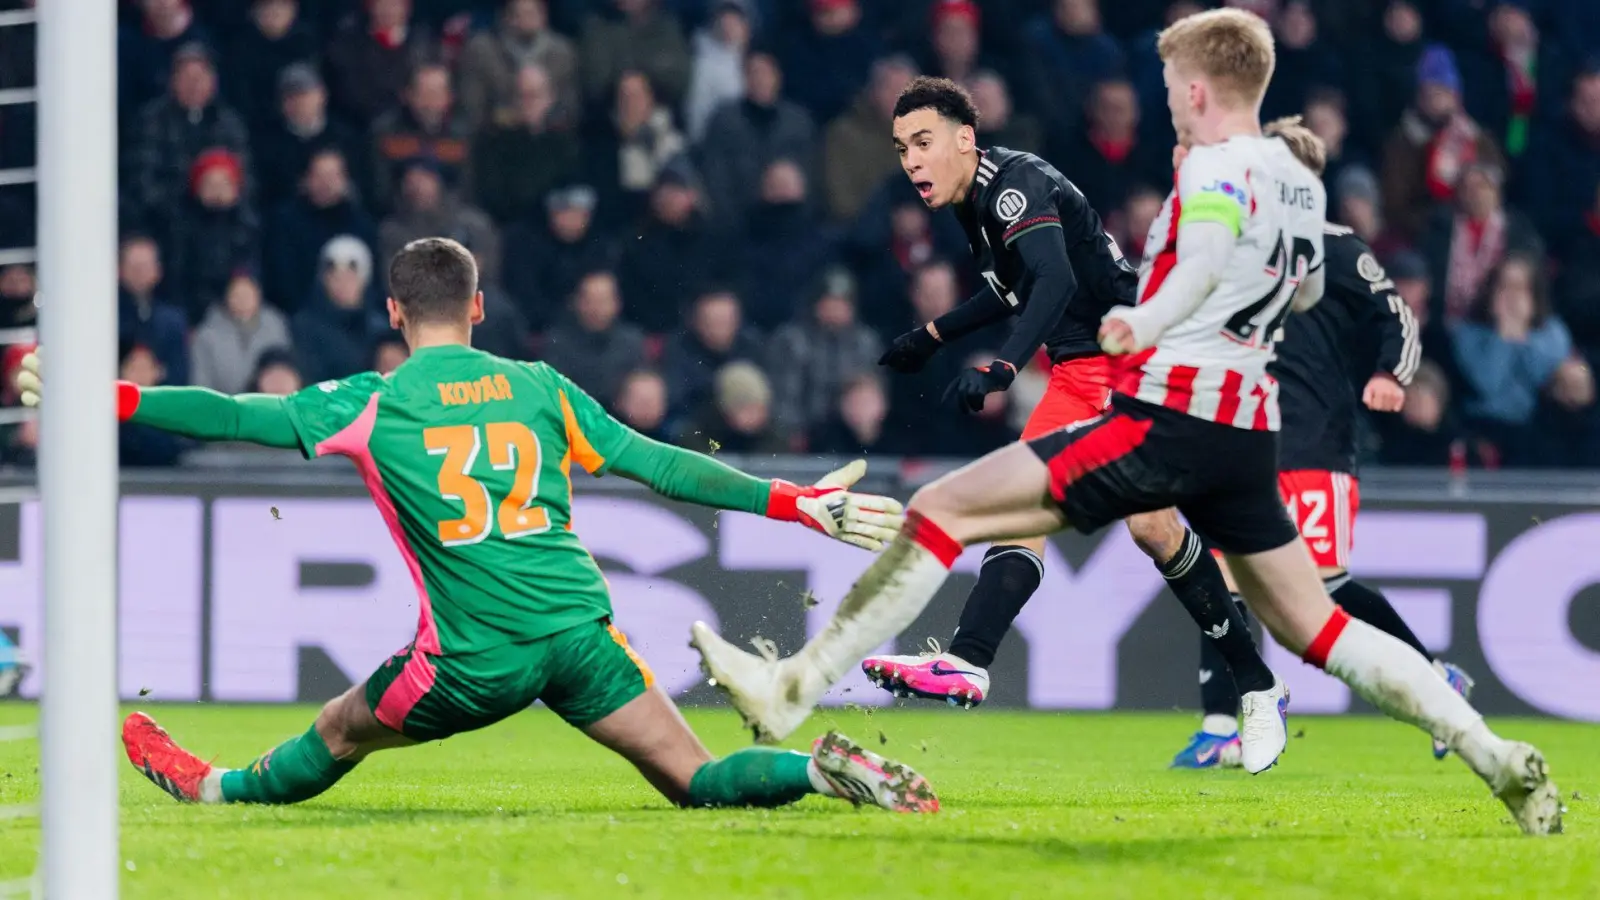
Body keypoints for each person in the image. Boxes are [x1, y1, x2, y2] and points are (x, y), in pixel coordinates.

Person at [690, 9, 1561, 836]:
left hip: (1161, 409)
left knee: (944, 508)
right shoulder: (1296, 186)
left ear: (1199, 89)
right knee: (1317, 625)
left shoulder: (1210, 171)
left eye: (1174, 82)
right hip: (1244, 427)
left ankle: (798, 690)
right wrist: (943, 334)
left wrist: (1146, 320)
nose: (1168, 98)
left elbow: (1195, 263)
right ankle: (1490, 751)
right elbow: (1298, 294)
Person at [17, 237, 934, 815]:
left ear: (393, 314)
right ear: (479, 308)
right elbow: (661, 464)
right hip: (579, 633)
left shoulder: (374, 400)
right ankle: (816, 769)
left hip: (472, 660)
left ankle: (212, 788)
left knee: (340, 727)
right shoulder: (541, 386)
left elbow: (230, 414)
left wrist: (108, 394)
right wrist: (793, 501)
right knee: (697, 782)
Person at [854, 77, 1281, 762]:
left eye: (923, 142)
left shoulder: (1013, 185)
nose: (911, 160)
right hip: (1082, 371)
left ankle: (1256, 687)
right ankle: (968, 661)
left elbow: (1055, 280)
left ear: (965, 139)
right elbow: (1011, 289)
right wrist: (931, 335)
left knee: (1150, 527)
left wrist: (1004, 366)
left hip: (1135, 359)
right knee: (1027, 508)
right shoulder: (975, 203)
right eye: (903, 147)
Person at [1169, 118, 1473, 769]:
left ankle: (1434, 676)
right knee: (1218, 575)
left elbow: (1396, 316)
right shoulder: (1233, 246)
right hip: (1240, 438)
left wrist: (1391, 375)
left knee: (1323, 588)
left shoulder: (1335, 247)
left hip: (1313, 446)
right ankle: (1222, 723)